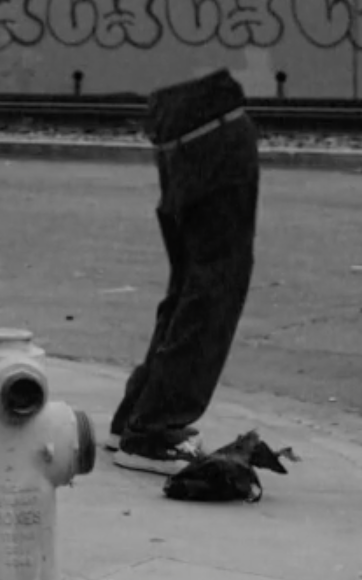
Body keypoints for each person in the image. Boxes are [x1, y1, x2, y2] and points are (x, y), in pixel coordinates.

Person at [107, 65, 260, 473]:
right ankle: (152, 428)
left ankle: (139, 413)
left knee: (193, 280)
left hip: (183, 124)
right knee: (216, 284)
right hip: (212, 129)